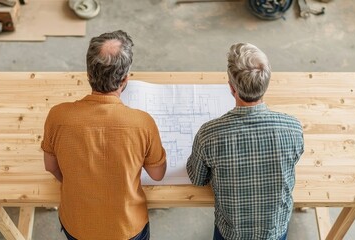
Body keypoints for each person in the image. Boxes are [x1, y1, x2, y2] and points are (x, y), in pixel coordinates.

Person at [41, 30, 167, 240]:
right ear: (125, 78)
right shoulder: (143, 123)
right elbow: (157, 175)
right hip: (127, 228)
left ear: (89, 74)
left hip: (77, 225)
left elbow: (50, 166)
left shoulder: (57, 116)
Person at [186, 43, 304, 240]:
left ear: (232, 88)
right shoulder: (293, 128)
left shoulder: (209, 134)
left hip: (232, 233)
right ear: (266, 83)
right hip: (274, 231)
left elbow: (198, 179)